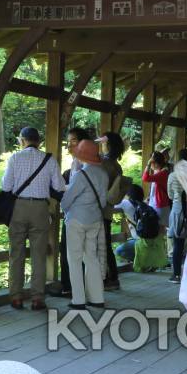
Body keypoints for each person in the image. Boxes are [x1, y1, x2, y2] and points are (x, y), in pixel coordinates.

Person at [0, 127, 65, 310]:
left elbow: (6, 186)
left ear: (22, 140)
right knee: (39, 254)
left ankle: (16, 297)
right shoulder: (49, 160)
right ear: (39, 141)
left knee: (16, 253)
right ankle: (37, 298)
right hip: (40, 209)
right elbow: (59, 186)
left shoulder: (15, 158)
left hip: (18, 207)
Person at [61, 138, 109, 310]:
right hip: (95, 219)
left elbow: (68, 198)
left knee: (74, 259)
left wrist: (64, 210)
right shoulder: (103, 174)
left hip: (76, 220)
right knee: (92, 258)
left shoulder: (81, 175)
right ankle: (96, 298)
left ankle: (78, 299)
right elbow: (103, 201)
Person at [57, 126, 91, 297]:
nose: (69, 144)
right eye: (68, 141)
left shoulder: (85, 163)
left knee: (72, 252)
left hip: (78, 215)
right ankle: (74, 287)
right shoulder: (77, 163)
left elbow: (79, 189)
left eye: (74, 141)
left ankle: (72, 288)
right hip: (80, 215)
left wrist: (63, 188)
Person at [99, 132, 127, 291]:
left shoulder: (104, 164)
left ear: (107, 145)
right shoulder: (117, 165)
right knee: (106, 244)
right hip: (108, 210)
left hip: (99, 209)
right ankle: (112, 277)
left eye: (103, 143)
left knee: (102, 245)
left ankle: (109, 278)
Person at [167, 148, 187, 284]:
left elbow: (170, 194)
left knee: (178, 243)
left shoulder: (173, 175)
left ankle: (176, 275)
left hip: (178, 209)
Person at [142, 150, 172, 230]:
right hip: (157, 204)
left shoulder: (163, 173)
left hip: (160, 206)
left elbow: (145, 178)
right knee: (156, 231)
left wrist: (148, 164)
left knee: (158, 230)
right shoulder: (159, 171)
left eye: (151, 162)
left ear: (155, 163)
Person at [114, 182, 142, 263]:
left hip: (140, 241)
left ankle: (140, 261)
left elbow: (111, 205)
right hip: (151, 242)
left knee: (118, 251)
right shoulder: (144, 204)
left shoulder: (125, 203)